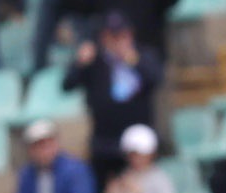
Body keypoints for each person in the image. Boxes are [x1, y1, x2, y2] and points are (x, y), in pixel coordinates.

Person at [70, 10, 165, 164]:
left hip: (139, 135)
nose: (117, 42)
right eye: (112, 36)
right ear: (103, 38)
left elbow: (156, 79)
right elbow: (68, 84)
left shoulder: (144, 55)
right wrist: (79, 64)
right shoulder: (94, 61)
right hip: (106, 140)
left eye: (122, 36)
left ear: (130, 35)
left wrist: (133, 61)